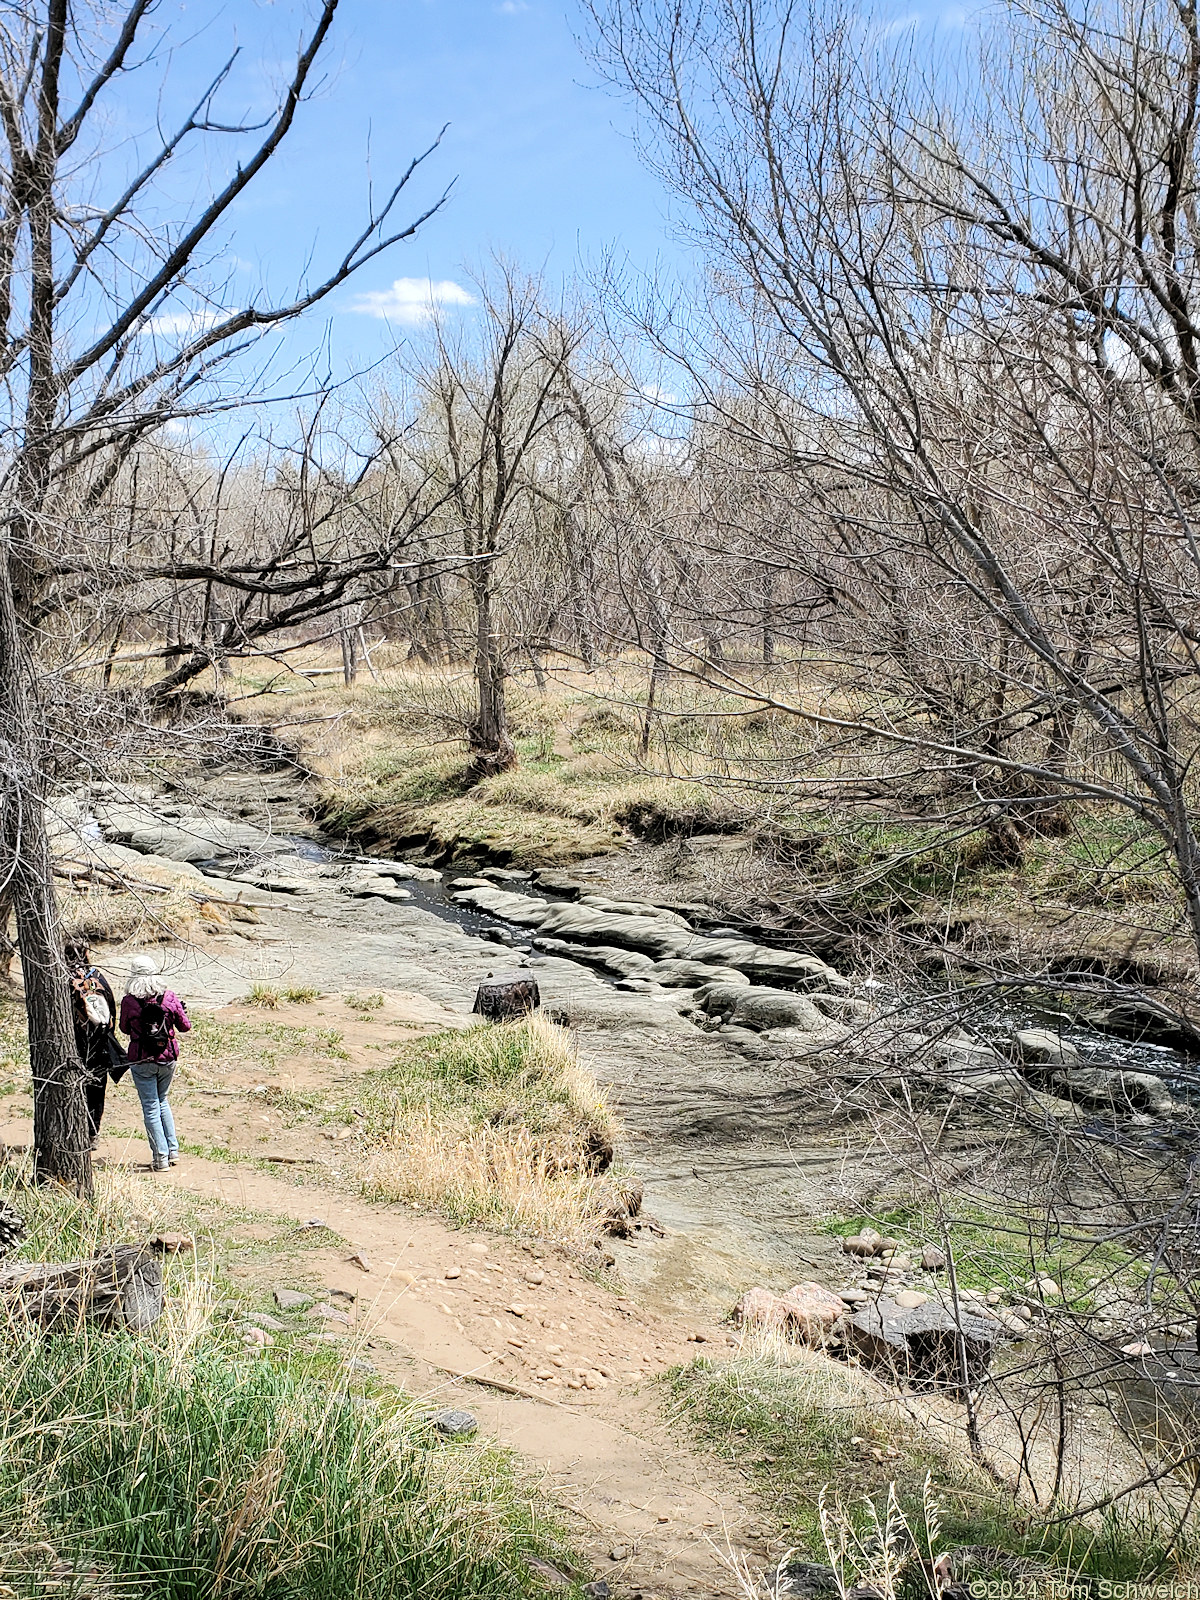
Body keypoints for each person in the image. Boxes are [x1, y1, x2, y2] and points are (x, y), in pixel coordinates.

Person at [119, 954, 190, 1173]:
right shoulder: (168, 997)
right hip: (167, 1058)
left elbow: (123, 1028)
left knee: (151, 1106)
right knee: (162, 1101)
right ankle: (172, 1150)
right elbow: (185, 1026)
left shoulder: (129, 1001)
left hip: (141, 1059)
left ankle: (160, 1158)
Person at [65, 936, 122, 1151]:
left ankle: (71, 1130)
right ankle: (92, 1133)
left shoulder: (63, 980)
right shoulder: (98, 977)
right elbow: (112, 1012)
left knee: (72, 1087)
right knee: (96, 1090)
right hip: (98, 1043)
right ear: (87, 953)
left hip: (73, 1045)